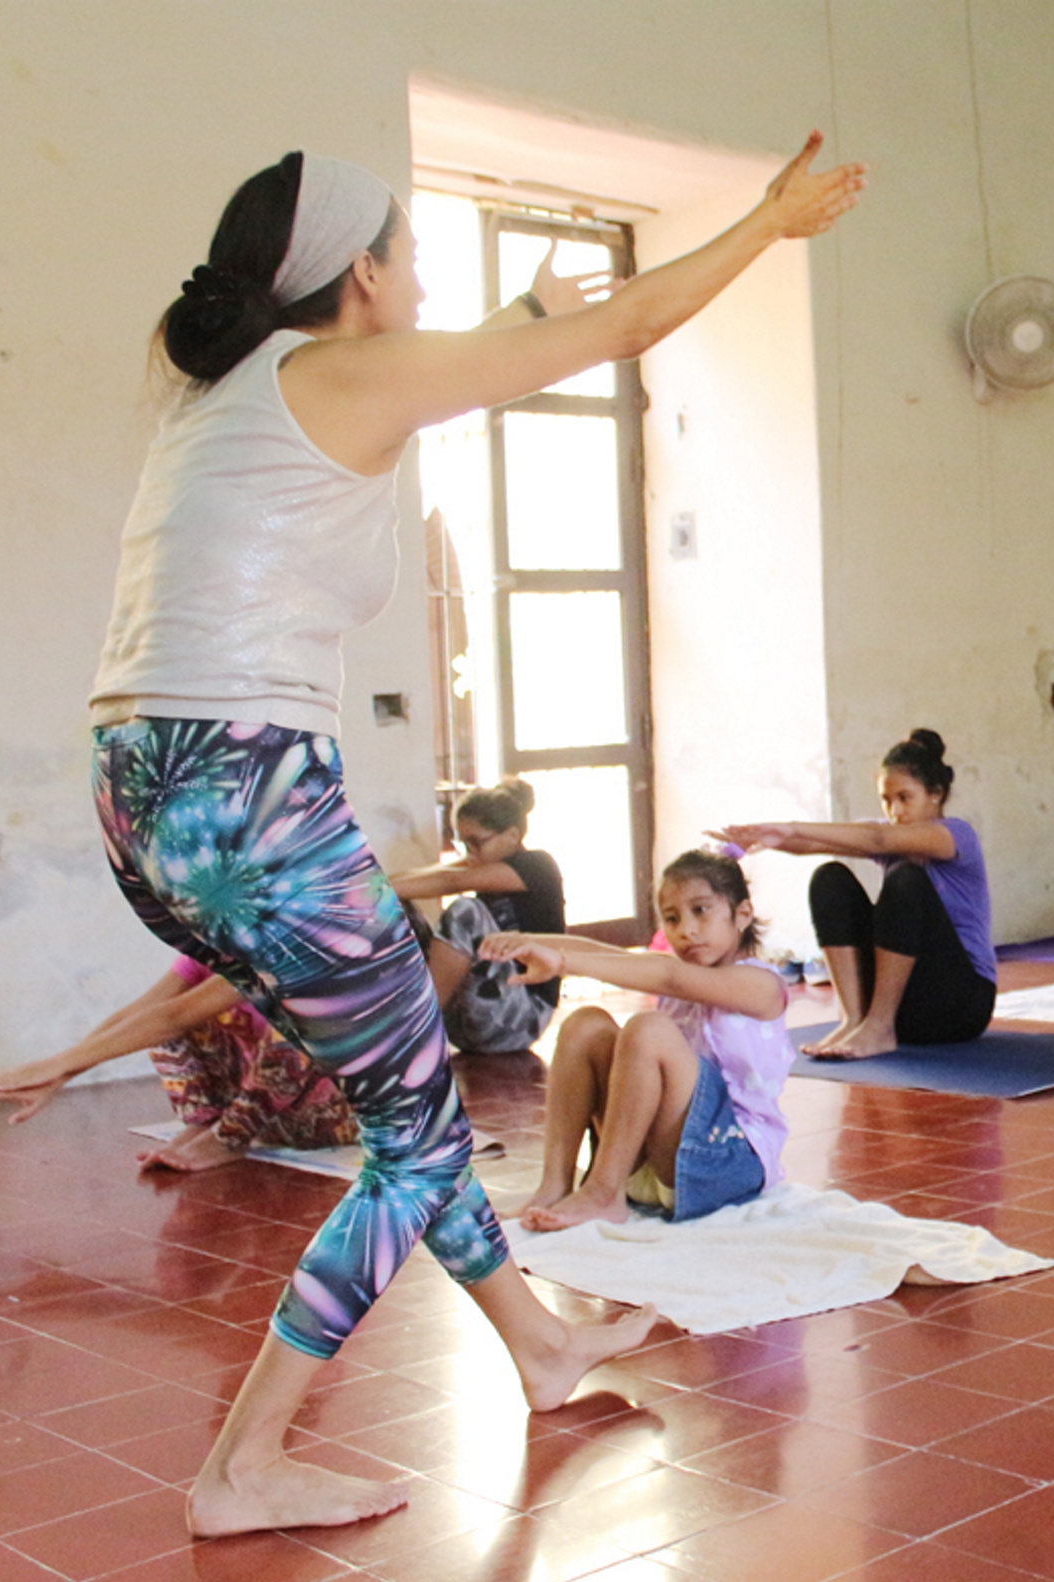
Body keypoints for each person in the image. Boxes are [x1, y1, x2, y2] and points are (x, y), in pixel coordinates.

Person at [84, 137, 860, 1537]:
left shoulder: (237, 393)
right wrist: (765, 221)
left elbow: (444, 371)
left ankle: (540, 1345)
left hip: (146, 798)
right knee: (415, 1144)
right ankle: (244, 1461)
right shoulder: (340, 372)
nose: (427, 281)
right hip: (244, 790)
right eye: (415, 257)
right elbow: (626, 326)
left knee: (413, 1119)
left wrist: (513, 318)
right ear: (365, 276)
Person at [484, 850, 792, 1232]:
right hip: (662, 1157)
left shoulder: (761, 985)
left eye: (701, 911)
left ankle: (603, 1192)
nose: (687, 930)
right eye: (673, 918)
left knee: (649, 1030)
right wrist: (527, 941)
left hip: (729, 1160)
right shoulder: (686, 970)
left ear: (742, 915)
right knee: (585, 1024)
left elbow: (667, 976)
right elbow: (608, 954)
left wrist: (562, 964)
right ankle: (554, 1186)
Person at [719, 730, 995, 1058]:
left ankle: (879, 1027)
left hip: (960, 1007)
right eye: (887, 800)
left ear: (935, 794)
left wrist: (791, 826)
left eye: (905, 798)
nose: (896, 811)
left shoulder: (956, 835)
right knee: (829, 878)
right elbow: (816, 843)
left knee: (907, 880)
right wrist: (772, 836)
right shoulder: (887, 834)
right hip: (909, 1008)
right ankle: (855, 1019)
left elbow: (877, 839)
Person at [0, 955, 355, 1173]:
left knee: (297, 1027)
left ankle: (228, 1139)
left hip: (327, 1120)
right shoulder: (206, 950)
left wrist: (56, 1066)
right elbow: (143, 1015)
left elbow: (176, 1015)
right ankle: (205, 1123)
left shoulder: (292, 952)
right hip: (269, 1115)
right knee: (158, 1020)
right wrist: (58, 1076)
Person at [390, 779, 566, 1054]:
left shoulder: (537, 866)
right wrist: (374, 887)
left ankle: (414, 1028)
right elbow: (433, 873)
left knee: (465, 912)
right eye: (464, 844)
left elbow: (451, 882)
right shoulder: (483, 859)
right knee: (400, 907)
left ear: (512, 835)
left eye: (476, 842)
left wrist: (371, 889)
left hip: (519, 1016)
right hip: (468, 1016)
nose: (469, 853)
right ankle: (388, 1017)